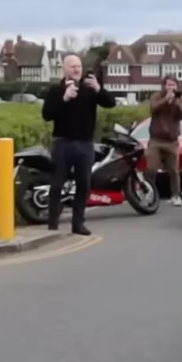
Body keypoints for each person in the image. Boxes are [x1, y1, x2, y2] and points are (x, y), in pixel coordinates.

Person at [41, 55, 116, 235]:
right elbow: (47, 114)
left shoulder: (89, 89)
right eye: (73, 67)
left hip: (84, 144)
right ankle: (52, 224)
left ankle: (78, 223)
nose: (77, 70)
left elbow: (110, 103)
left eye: (79, 67)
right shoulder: (55, 90)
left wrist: (99, 89)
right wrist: (65, 98)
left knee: (83, 185)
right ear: (65, 69)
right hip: (62, 143)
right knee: (57, 184)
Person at [147, 75, 182, 207]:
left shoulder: (179, 99)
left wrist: (174, 102)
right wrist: (165, 100)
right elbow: (153, 109)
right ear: (164, 86)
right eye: (168, 85)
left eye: (173, 85)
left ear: (177, 86)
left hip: (172, 141)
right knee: (151, 168)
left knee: (174, 170)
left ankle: (176, 195)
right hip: (156, 140)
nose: (170, 87)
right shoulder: (156, 96)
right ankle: (149, 194)